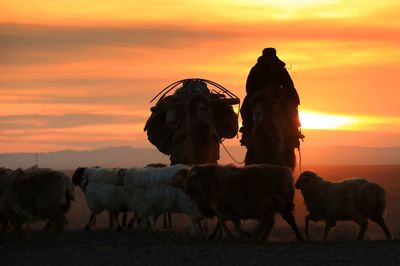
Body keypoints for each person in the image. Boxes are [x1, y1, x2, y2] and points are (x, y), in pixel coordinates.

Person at [240, 47, 304, 148]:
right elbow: (249, 86)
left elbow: (289, 84)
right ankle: (247, 131)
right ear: (264, 57)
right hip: (260, 96)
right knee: (245, 109)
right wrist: (261, 92)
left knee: (291, 108)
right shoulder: (256, 69)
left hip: (278, 96)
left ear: (274, 57)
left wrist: (288, 95)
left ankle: (294, 130)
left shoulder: (281, 69)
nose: (269, 59)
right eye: (267, 57)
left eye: (271, 56)